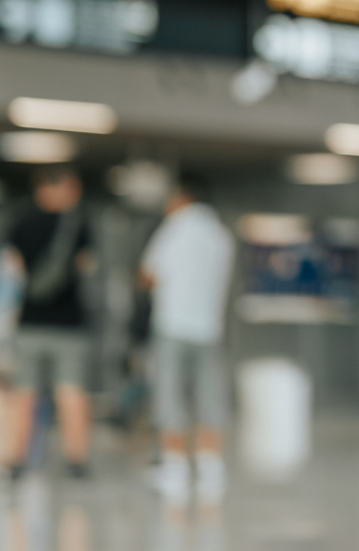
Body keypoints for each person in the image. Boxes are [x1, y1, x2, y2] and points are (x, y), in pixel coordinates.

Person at [138, 183, 235, 505]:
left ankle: (175, 470)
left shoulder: (174, 229)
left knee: (170, 394)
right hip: (209, 327)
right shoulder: (221, 235)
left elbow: (149, 274)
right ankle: (211, 469)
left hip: (173, 325)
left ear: (182, 197)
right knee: (210, 394)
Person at [3, 166, 96, 478]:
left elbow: (12, 268)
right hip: (69, 324)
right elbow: (86, 266)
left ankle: (17, 461)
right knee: (71, 392)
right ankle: (77, 461)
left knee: (23, 394)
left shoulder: (21, 222)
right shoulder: (78, 225)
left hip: (30, 321)